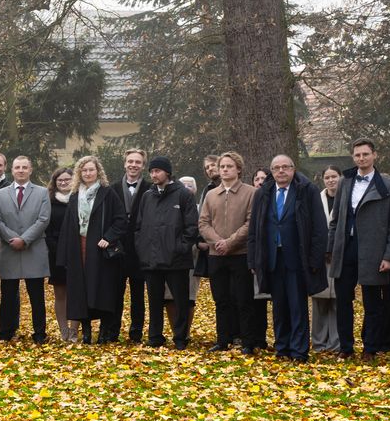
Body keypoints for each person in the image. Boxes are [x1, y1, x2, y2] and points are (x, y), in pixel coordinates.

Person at [328, 138, 390, 359]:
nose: (361, 158)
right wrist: (332, 249)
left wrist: (389, 256)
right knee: (343, 301)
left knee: (372, 301)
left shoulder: (387, 185)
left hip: (373, 250)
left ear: (374, 155)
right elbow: (336, 219)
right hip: (346, 248)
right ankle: (346, 347)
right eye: (357, 155)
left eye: (365, 154)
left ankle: (370, 347)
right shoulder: (345, 181)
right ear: (353, 157)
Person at [249, 154, 328, 362]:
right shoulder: (263, 193)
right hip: (272, 259)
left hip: (298, 259)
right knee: (279, 306)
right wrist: (254, 260)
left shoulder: (306, 191)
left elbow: (319, 228)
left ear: (293, 169)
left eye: (285, 167)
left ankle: (299, 350)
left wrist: (314, 260)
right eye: (276, 168)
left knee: (297, 306)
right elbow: (254, 230)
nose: (281, 171)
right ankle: (282, 347)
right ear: (271, 171)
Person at [198, 151, 263, 354]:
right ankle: (223, 339)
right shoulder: (211, 195)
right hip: (216, 255)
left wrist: (230, 242)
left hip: (240, 253)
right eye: (222, 166)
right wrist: (218, 242)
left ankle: (247, 341)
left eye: (229, 166)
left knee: (243, 299)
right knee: (221, 299)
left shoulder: (251, 192)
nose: (225, 169)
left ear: (238, 169)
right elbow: (203, 222)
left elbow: (251, 222)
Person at [130, 157, 197, 348]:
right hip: (151, 259)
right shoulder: (147, 196)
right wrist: (142, 249)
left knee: (180, 301)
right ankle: (155, 337)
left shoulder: (183, 195)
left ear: (167, 173)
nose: (153, 175)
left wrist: (180, 248)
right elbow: (139, 226)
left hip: (176, 260)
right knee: (154, 301)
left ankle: (180, 338)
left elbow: (191, 227)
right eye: (151, 171)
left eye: (157, 171)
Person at [61, 157, 128, 343]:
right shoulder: (74, 196)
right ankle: (86, 331)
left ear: (98, 171)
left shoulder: (107, 193)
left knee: (101, 289)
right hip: (79, 247)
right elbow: (68, 226)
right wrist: (64, 255)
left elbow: (121, 219)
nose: (88, 173)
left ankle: (104, 332)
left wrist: (109, 237)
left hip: (100, 250)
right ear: (79, 174)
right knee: (81, 290)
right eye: (84, 171)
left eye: (91, 170)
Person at [0, 156, 52, 343]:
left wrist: (24, 240)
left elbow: (43, 220)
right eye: (17, 167)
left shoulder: (42, 193)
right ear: (12, 170)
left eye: (24, 167)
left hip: (33, 248)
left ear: (30, 170)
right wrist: (12, 238)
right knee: (8, 294)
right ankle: (6, 332)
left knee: (36, 295)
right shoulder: (0, 194)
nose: (20, 170)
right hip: (9, 249)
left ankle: (40, 333)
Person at [111, 149, 150, 342]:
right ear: (124, 163)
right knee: (115, 293)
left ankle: (136, 333)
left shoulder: (150, 189)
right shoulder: (113, 188)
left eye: (138, 162)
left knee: (138, 295)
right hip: (117, 249)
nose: (133, 165)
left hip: (140, 250)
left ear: (143, 166)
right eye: (130, 161)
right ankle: (112, 330)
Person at [309, 167, 343, 355]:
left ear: (340, 178)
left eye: (334, 177)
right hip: (319, 256)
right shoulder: (317, 199)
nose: (331, 180)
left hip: (339, 255)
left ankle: (336, 342)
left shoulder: (346, 198)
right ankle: (319, 341)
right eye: (327, 177)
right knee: (319, 300)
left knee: (338, 300)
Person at [44, 167, 75, 343]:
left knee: (76, 293)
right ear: (55, 183)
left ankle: (74, 330)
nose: (63, 183)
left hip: (77, 252)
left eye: (67, 180)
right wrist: (56, 249)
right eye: (60, 180)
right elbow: (46, 229)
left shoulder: (79, 199)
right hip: (56, 253)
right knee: (60, 294)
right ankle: (63, 330)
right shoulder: (49, 201)